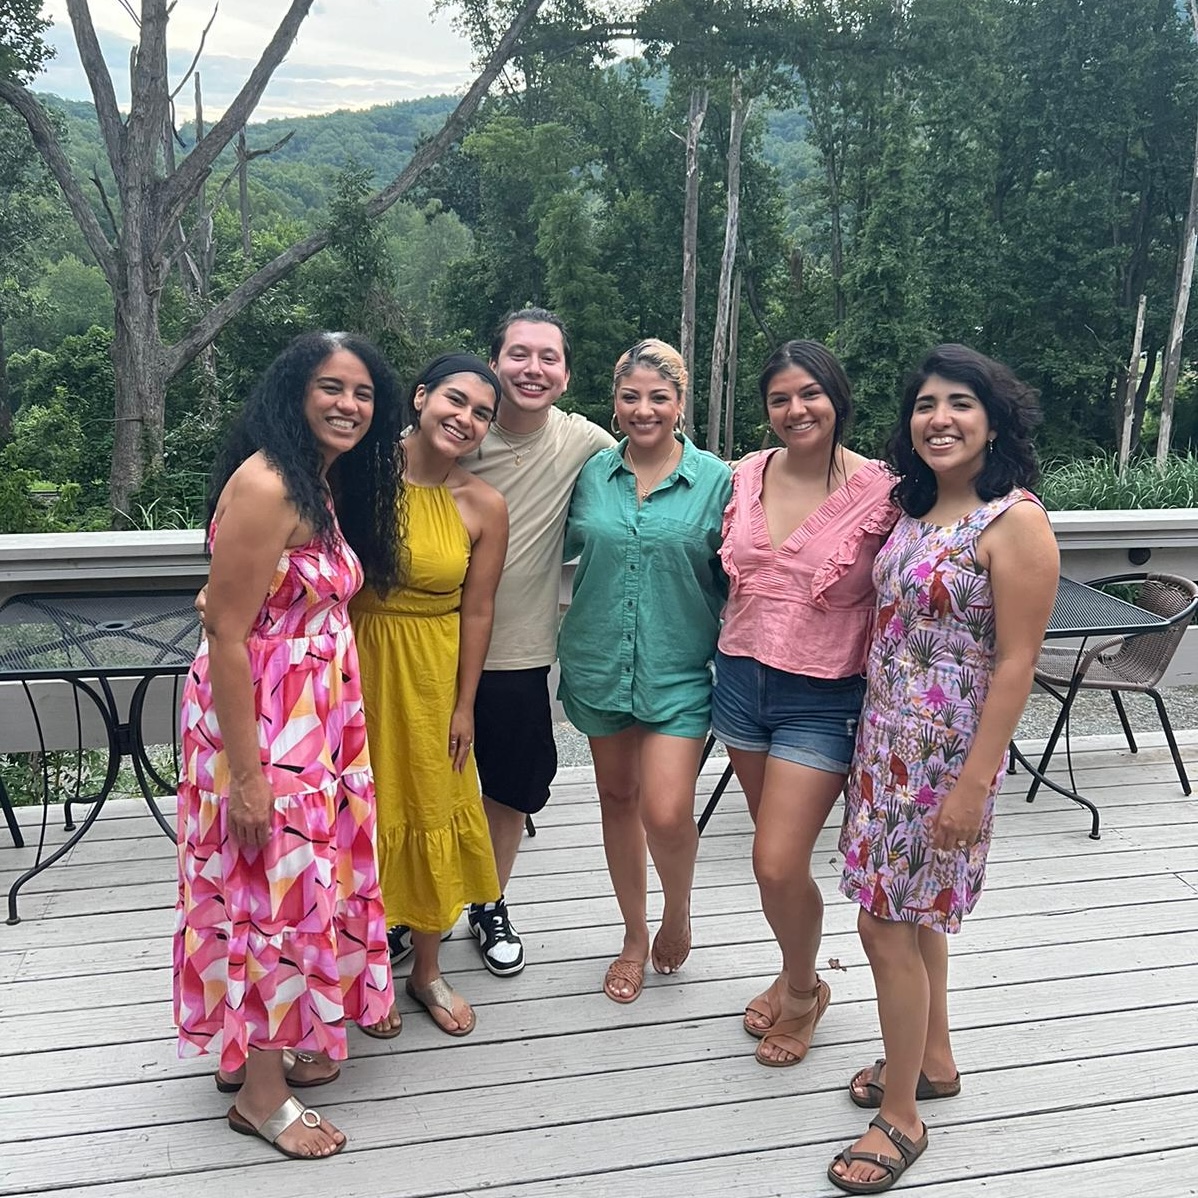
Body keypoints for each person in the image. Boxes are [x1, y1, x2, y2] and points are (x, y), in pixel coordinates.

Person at [829, 345, 1058, 1194]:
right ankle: (934, 1061)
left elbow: (1016, 665)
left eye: (960, 402)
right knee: (913, 921)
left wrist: (972, 785)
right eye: (926, 404)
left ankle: (901, 1115)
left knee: (882, 928)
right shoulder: (914, 512)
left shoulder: (1014, 521)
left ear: (993, 420)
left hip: (944, 761)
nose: (940, 418)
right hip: (885, 747)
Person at [175, 331, 403, 1160]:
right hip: (265, 727)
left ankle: (254, 1056)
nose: (348, 404)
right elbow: (229, 633)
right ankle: (261, 1099)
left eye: (364, 393)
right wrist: (244, 776)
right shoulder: (272, 484)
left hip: (312, 719)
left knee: (287, 888)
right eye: (330, 387)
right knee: (271, 896)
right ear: (293, 392)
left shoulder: (318, 482)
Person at [711, 340, 898, 1064]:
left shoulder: (884, 490)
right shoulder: (742, 476)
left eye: (810, 394)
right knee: (775, 858)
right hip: (739, 683)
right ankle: (801, 976)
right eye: (781, 398)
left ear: (837, 397)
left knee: (776, 862)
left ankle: (800, 996)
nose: (797, 410)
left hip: (823, 697)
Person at [557, 339, 731, 1002]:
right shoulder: (593, 475)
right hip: (599, 660)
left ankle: (677, 910)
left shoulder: (718, 480)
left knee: (665, 810)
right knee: (618, 800)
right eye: (631, 396)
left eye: (658, 397)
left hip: (677, 667)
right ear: (615, 402)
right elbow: (545, 538)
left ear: (680, 404)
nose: (643, 408)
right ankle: (633, 935)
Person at [450, 309, 615, 977]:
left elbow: (662, 455)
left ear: (566, 375)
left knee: (512, 789)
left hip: (519, 650)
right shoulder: (453, 432)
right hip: (429, 650)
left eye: (548, 357)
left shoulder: (582, 441)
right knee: (423, 783)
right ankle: (409, 906)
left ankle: (488, 901)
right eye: (519, 354)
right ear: (494, 363)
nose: (532, 368)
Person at [352, 354, 509, 1036]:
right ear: (420, 397)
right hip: (350, 661)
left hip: (430, 671)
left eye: (482, 413)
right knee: (358, 811)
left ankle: (427, 970)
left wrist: (465, 704)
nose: (466, 419)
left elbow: (478, 613)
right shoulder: (356, 473)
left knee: (432, 800)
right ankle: (364, 968)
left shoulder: (483, 504)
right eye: (456, 400)